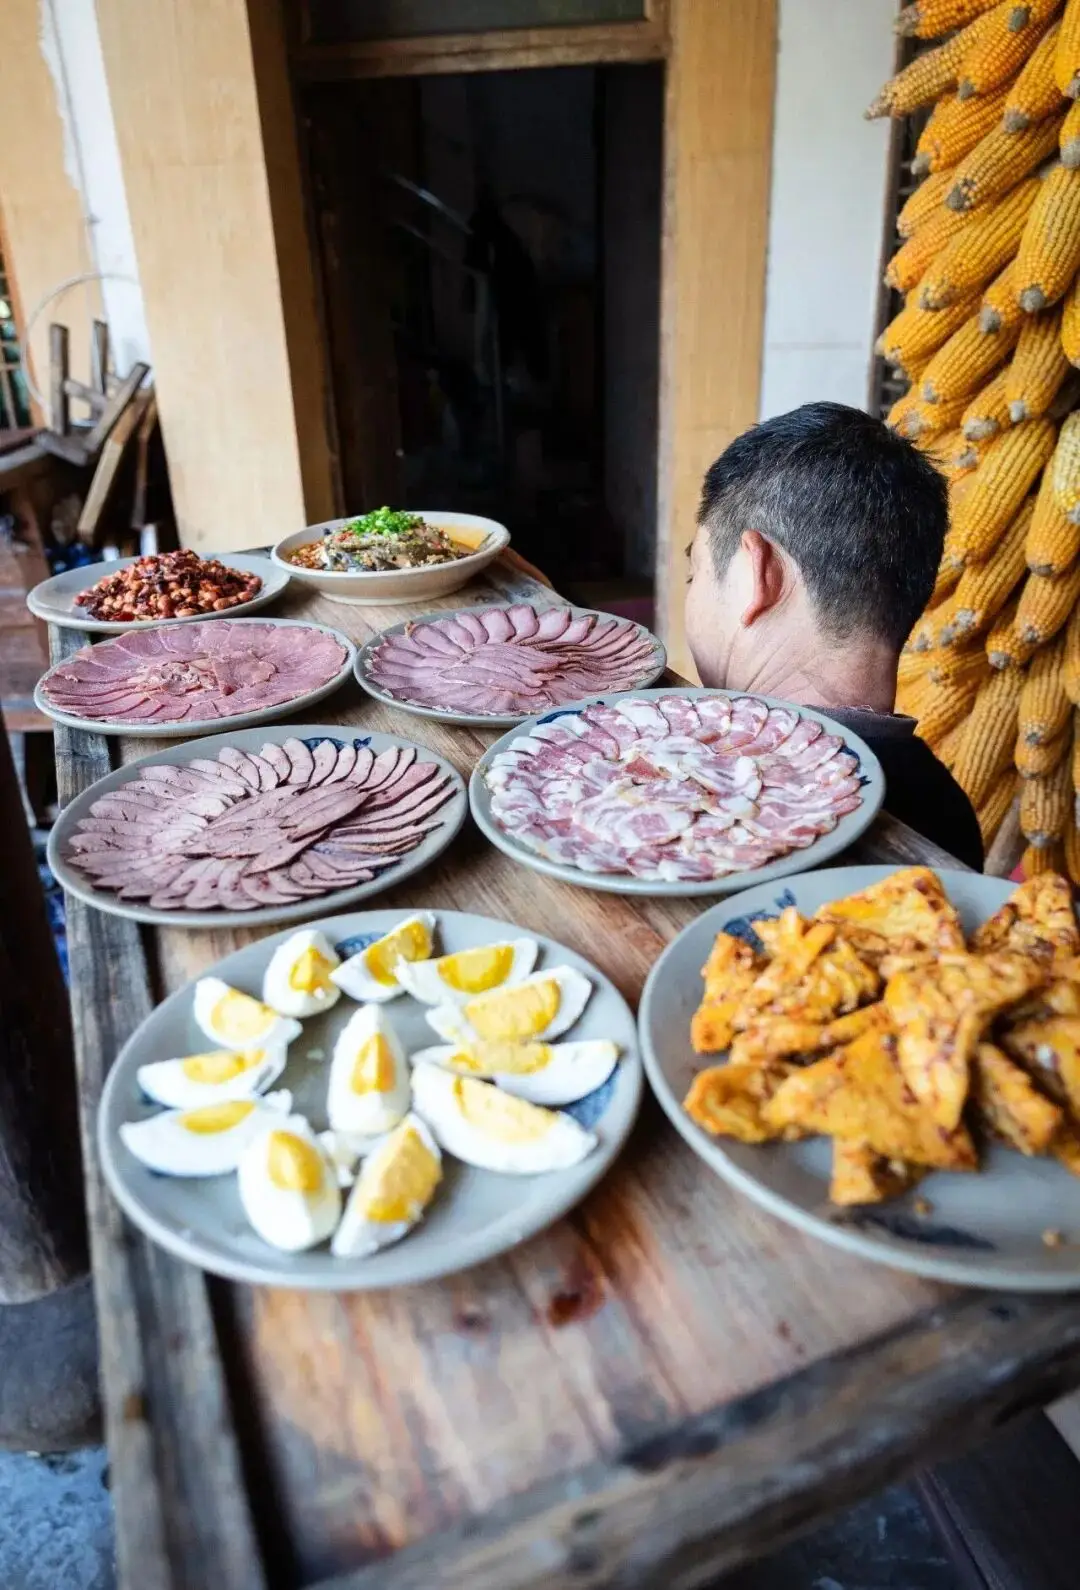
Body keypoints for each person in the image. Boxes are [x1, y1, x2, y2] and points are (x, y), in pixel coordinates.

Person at [684, 401, 983, 869]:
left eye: (695, 573)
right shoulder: (950, 814)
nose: (691, 592)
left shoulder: (702, 810)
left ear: (756, 576)